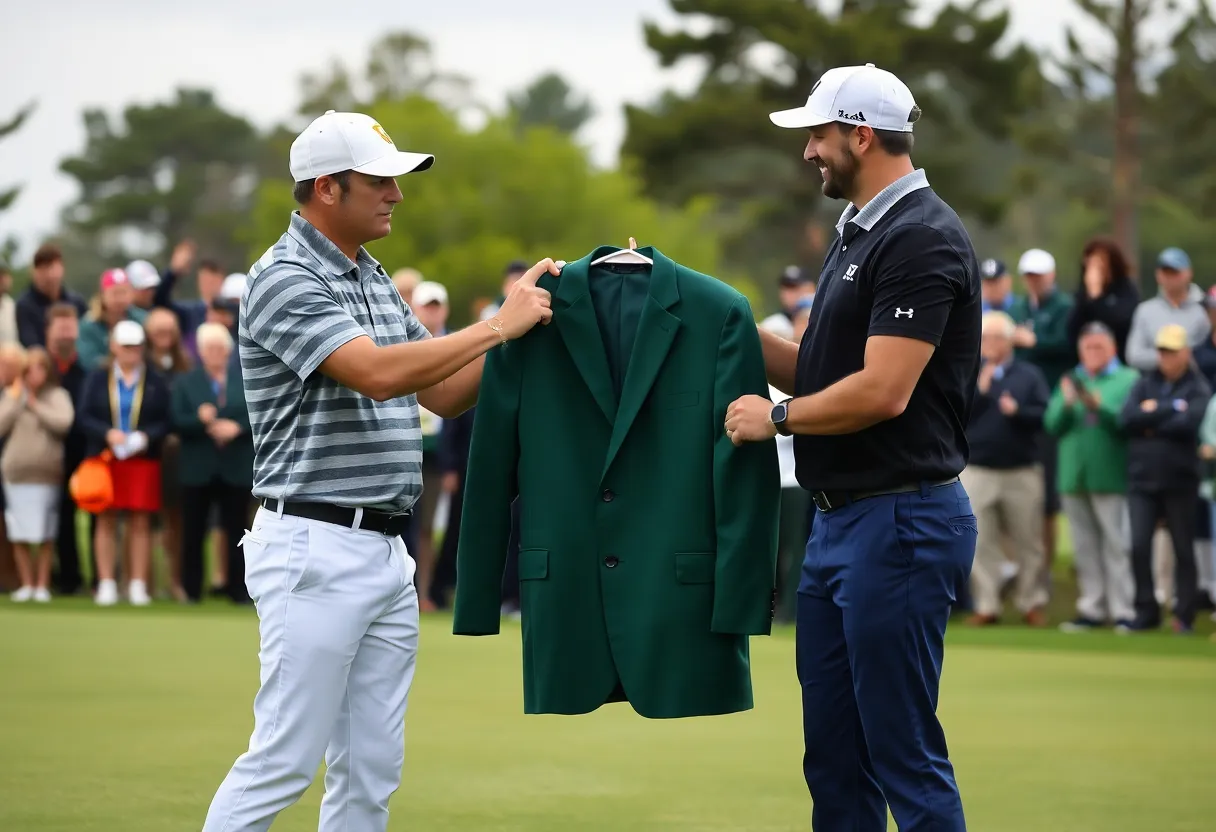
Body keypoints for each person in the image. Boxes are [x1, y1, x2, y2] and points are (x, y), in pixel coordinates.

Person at [201, 109, 556, 832]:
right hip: (313, 545)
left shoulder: (370, 274)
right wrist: (496, 325)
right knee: (284, 762)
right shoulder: (282, 276)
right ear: (328, 188)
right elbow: (377, 375)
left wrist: (531, 332)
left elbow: (443, 391)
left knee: (370, 774)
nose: (396, 194)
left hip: (383, 550)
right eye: (380, 182)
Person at [731, 63, 979, 831]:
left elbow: (882, 390)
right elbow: (814, 365)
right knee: (834, 759)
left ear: (861, 135)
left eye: (817, 134)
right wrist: (714, 322)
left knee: (900, 750)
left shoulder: (920, 236)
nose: (809, 151)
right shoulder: (861, 231)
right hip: (842, 524)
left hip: (900, 521)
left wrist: (776, 420)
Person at [1045, 322, 1139, 632]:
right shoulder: (1072, 379)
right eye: (1087, 347)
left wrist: (1102, 408)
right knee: (1084, 546)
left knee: (1116, 543)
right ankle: (1092, 608)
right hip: (1074, 475)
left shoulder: (1127, 379)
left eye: (1098, 347)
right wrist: (1069, 402)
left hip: (1110, 473)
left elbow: (1128, 423)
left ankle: (1123, 609)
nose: (1092, 353)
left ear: (1112, 349)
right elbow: (1052, 424)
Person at [1118, 323, 1211, 633]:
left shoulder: (1197, 386)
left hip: (1180, 480)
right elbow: (1127, 418)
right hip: (1142, 479)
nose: (1166, 357)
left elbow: (1188, 425)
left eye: (1171, 351)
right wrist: (1169, 408)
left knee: (1183, 549)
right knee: (1139, 546)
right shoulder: (1144, 383)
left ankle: (1184, 615)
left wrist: (1152, 417)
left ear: (1185, 353)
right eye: (1162, 351)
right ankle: (1146, 611)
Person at [960, 310, 1050, 627]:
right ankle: (987, 604)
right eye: (985, 338)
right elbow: (957, 415)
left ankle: (1031, 601)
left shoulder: (1028, 375)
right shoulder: (969, 373)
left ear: (1011, 341)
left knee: (1029, 541)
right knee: (979, 540)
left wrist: (1019, 411)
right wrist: (982, 390)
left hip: (1020, 469)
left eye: (997, 337)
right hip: (978, 468)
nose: (991, 343)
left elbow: (1043, 417)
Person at [76, 320, 172, 606]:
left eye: (137, 347)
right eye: (127, 346)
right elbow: (84, 416)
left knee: (140, 522)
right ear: (114, 347)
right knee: (105, 520)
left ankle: (137, 584)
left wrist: (145, 436)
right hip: (106, 457)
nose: (132, 352)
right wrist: (107, 433)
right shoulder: (97, 378)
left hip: (141, 458)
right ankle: (106, 582)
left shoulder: (154, 380)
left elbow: (166, 420)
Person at [172, 323, 253, 604]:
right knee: (193, 531)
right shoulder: (186, 382)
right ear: (201, 352)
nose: (215, 353)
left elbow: (258, 416)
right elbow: (175, 420)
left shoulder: (243, 381)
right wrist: (200, 420)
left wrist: (237, 429)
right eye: (209, 348)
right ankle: (191, 590)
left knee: (237, 532)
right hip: (198, 468)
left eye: (220, 348)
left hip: (235, 466)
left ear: (228, 351)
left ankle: (238, 590)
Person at [0, 346, 74, 602]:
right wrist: (18, 399)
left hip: (46, 473)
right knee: (19, 531)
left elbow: (63, 423)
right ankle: (26, 583)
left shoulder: (57, 395)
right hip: (16, 473)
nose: (35, 374)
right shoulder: (12, 396)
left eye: (40, 368)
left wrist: (34, 405)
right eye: (29, 369)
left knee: (45, 531)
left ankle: (42, 584)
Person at [1124, 247, 1210, 373]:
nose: (1170, 278)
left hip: (1193, 383)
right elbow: (1134, 355)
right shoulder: (1145, 310)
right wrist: (1172, 359)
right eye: (1165, 272)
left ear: (1189, 273)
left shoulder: (1202, 311)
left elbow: (1207, 353)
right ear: (1158, 275)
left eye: (1175, 272)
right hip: (1151, 383)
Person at [1065, 237, 1139, 363]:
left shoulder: (1126, 290)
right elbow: (1072, 330)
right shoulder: (1082, 293)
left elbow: (1121, 322)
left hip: (1120, 362)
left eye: (1100, 264)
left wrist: (1096, 297)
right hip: (1085, 364)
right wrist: (1089, 297)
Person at [16, 244, 88, 348]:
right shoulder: (25, 305)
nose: (49, 275)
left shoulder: (76, 302)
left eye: (52, 267)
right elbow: (30, 344)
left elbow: (85, 337)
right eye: (43, 269)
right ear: (34, 272)